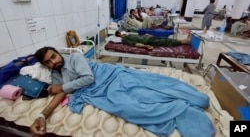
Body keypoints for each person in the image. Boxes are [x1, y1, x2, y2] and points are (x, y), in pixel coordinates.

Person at [30, 47, 214, 137]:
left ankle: (187, 102)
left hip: (113, 77)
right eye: (48, 62)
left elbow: (87, 78)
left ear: (58, 53)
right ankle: (180, 108)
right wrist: (42, 115)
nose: (53, 62)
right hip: (99, 93)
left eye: (53, 56)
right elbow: (59, 92)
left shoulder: (75, 57)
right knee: (128, 107)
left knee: (149, 90)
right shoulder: (56, 73)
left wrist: (62, 87)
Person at [115, 30, 191, 50]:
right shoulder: (124, 40)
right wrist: (146, 46)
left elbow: (137, 37)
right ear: (119, 35)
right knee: (164, 41)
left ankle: (181, 40)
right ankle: (183, 41)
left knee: (163, 39)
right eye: (120, 32)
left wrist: (144, 35)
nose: (122, 32)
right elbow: (135, 44)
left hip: (147, 38)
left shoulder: (127, 35)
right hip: (147, 41)